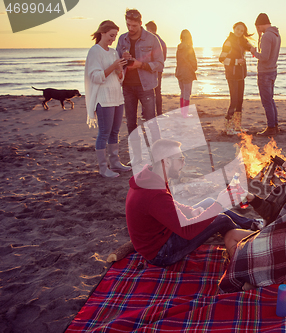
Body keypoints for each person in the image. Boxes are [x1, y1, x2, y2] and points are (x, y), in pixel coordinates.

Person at [219, 142, 286, 292]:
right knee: (231, 235)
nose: (283, 165)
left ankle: (256, 279)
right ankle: (252, 275)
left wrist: (253, 243)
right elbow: (271, 214)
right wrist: (251, 198)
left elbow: (276, 229)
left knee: (241, 246)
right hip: (278, 237)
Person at [126, 138, 244, 267]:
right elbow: (187, 231)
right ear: (167, 162)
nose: (184, 163)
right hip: (161, 253)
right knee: (221, 219)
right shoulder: (154, 194)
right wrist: (219, 205)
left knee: (209, 202)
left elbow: (169, 204)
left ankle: (252, 225)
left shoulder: (151, 178)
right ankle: (244, 251)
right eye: (181, 159)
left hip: (163, 234)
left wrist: (190, 211)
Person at [84, 20, 131, 178]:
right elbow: (95, 77)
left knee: (115, 132)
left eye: (115, 36)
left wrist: (120, 68)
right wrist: (113, 66)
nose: (113, 39)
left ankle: (115, 162)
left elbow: (119, 78)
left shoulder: (113, 52)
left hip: (117, 97)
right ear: (102, 33)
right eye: (111, 35)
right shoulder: (94, 51)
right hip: (103, 99)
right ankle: (103, 168)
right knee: (104, 133)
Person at [116, 9, 164, 136]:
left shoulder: (152, 39)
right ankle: (136, 152)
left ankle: (157, 152)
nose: (130, 28)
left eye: (134, 25)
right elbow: (116, 63)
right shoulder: (122, 39)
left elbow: (160, 64)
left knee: (151, 122)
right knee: (131, 123)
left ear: (140, 23)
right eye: (128, 25)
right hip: (127, 87)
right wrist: (122, 59)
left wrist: (141, 65)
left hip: (146, 87)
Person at [250, 13, 281, 136]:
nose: (257, 30)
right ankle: (275, 124)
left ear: (259, 25)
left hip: (265, 72)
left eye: (257, 27)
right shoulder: (276, 34)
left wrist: (254, 52)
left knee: (266, 101)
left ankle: (271, 127)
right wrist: (259, 37)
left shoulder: (267, 36)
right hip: (273, 70)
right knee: (270, 100)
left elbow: (264, 57)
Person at [219, 22, 252, 135]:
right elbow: (222, 58)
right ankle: (228, 128)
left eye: (242, 31)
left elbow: (250, 47)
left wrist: (252, 48)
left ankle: (237, 127)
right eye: (238, 29)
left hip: (241, 75)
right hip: (232, 75)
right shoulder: (229, 42)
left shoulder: (241, 42)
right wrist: (237, 61)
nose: (239, 32)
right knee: (234, 101)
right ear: (234, 29)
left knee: (240, 101)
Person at [145, 21, 167, 117]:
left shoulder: (150, 41)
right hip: (159, 70)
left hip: (151, 70)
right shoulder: (162, 41)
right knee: (158, 92)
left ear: (149, 30)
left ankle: (147, 113)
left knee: (148, 92)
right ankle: (159, 113)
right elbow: (163, 58)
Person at [175, 29, 197, 117]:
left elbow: (178, 60)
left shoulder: (179, 47)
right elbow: (193, 61)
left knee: (183, 92)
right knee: (187, 93)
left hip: (179, 72)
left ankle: (182, 112)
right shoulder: (189, 48)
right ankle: (185, 114)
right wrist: (194, 68)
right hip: (187, 72)